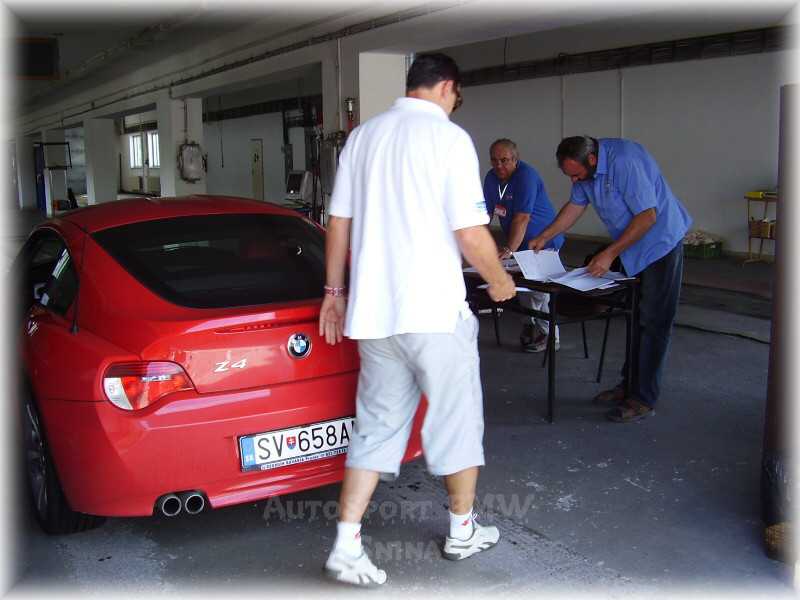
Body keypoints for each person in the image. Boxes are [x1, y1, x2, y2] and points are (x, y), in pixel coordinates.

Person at [318, 53, 516, 586]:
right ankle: (462, 531)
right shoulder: (449, 138)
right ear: (448, 86)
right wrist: (499, 280)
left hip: (374, 315)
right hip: (433, 313)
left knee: (376, 427)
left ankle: (346, 545)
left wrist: (333, 292)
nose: (455, 104)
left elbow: (338, 221)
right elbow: (469, 231)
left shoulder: (363, 137)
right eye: (457, 95)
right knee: (457, 422)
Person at [529, 136, 691, 423]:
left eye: (576, 175)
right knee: (635, 318)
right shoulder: (585, 171)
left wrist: (609, 254)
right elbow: (574, 207)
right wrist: (545, 236)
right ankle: (628, 386)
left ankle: (643, 398)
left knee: (654, 322)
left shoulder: (625, 162)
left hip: (660, 244)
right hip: (632, 247)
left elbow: (648, 216)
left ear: (592, 160)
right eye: (570, 176)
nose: (574, 180)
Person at [483, 139, 565, 353]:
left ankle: (550, 336)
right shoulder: (491, 178)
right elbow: (485, 214)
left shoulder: (526, 176)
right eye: (494, 160)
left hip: (544, 242)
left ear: (515, 159)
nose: (499, 165)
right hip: (519, 243)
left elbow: (522, 218)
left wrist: (508, 249)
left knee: (540, 292)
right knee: (523, 289)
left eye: (504, 160)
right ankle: (530, 325)